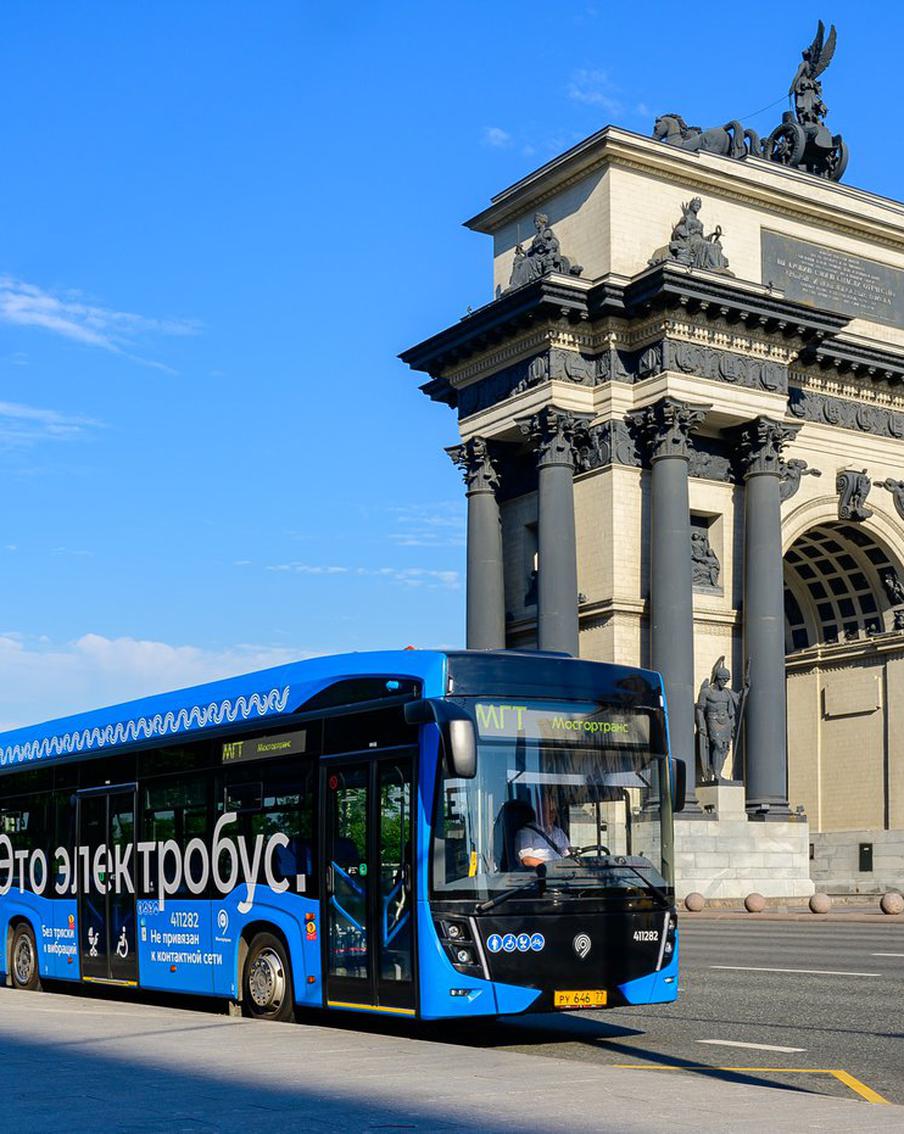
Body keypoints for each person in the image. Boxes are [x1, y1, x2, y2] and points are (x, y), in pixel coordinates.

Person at [516, 793, 570, 867]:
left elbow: (568, 855)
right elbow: (527, 860)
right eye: (549, 811)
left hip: (561, 875)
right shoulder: (526, 833)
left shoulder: (559, 832)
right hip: (539, 875)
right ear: (539, 811)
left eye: (554, 811)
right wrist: (552, 868)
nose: (552, 814)